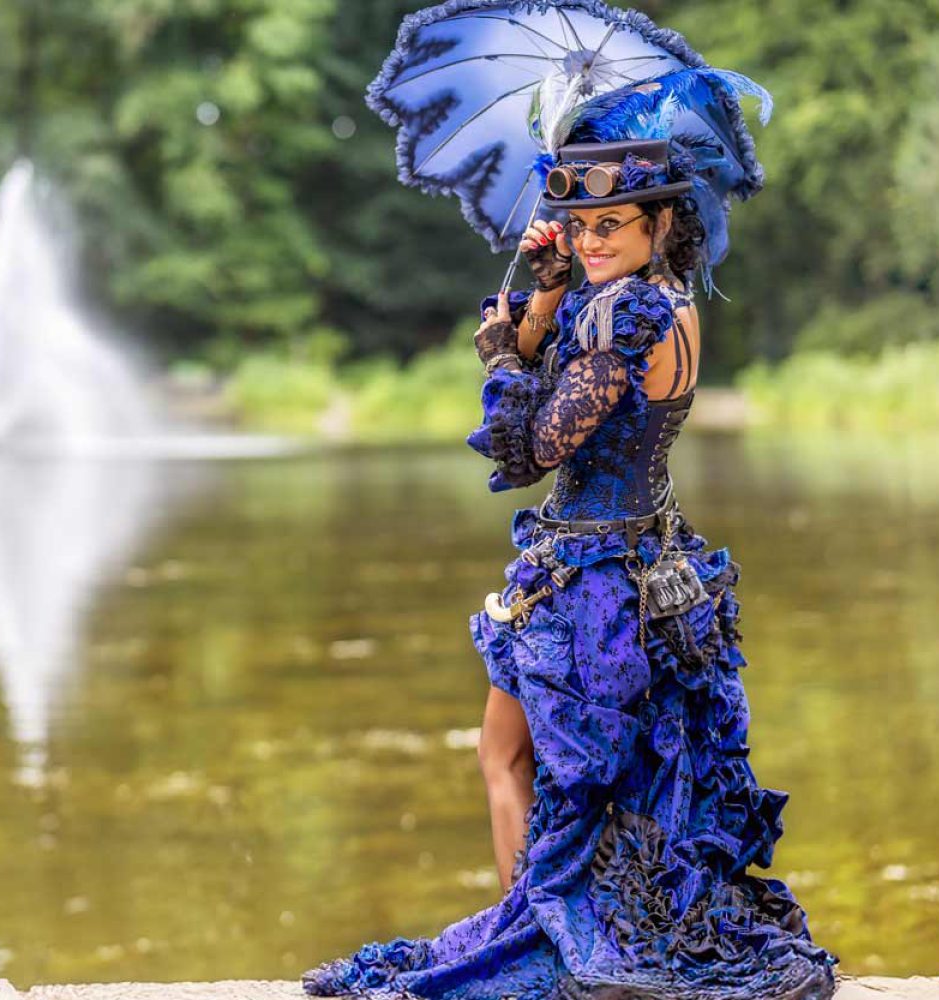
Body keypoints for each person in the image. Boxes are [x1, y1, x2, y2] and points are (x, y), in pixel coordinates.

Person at [299, 97, 841, 1000]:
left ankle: (536, 939)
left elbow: (533, 451)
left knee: (521, 763)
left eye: (609, 225)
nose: (590, 241)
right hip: (637, 567)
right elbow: (573, 390)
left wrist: (503, 362)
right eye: (579, 225)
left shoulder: (621, 319)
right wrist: (546, 295)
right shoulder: (660, 305)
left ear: (662, 221)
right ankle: (537, 924)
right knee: (548, 772)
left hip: (590, 589)